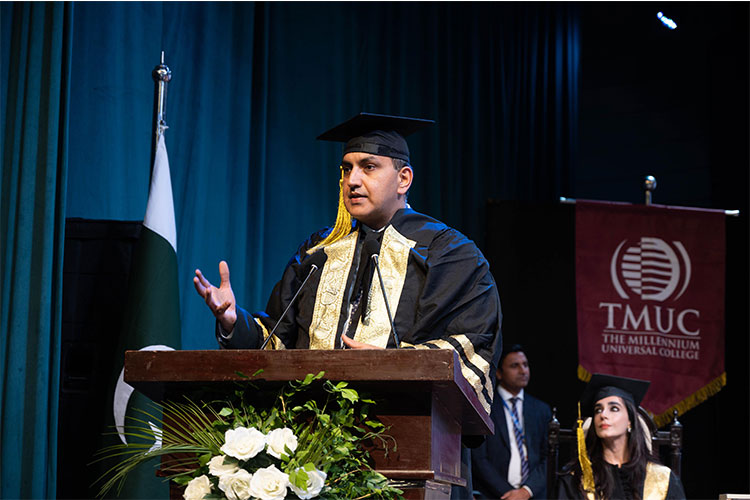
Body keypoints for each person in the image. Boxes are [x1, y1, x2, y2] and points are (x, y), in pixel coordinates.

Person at [193, 111, 502, 418]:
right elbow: (277, 343)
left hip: (402, 426)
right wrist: (234, 322)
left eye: (369, 167)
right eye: (346, 169)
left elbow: (471, 345)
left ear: (403, 179)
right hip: (308, 431)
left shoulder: (448, 254)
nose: (352, 180)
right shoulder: (318, 252)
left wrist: (393, 365)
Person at [556, 374, 686, 500]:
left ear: (630, 421)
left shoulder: (662, 479)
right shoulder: (575, 480)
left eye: (614, 408)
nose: (603, 415)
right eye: (598, 410)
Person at [471, 344, 551, 500]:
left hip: (532, 495)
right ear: (499, 373)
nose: (523, 371)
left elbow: (549, 458)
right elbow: (479, 459)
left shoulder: (541, 410)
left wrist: (526, 491)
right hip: (494, 495)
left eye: (525, 365)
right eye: (515, 366)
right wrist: (510, 495)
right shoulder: (485, 407)